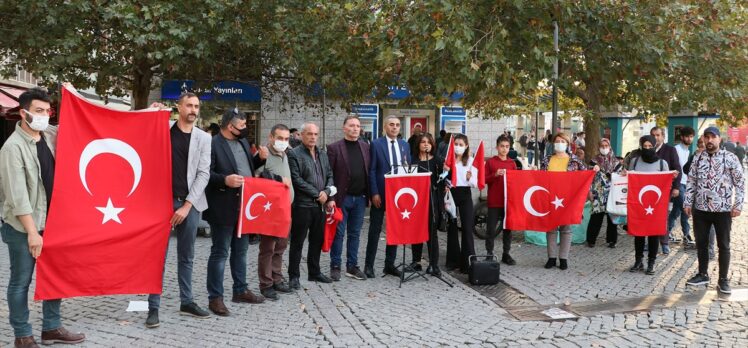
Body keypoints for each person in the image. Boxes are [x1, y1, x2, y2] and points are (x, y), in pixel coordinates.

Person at [0, 88, 86, 347]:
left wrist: (147, 114)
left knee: (54, 277)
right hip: (23, 227)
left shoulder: (49, 135)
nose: (44, 116)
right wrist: (33, 233)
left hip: (53, 223)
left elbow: (90, 125)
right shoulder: (11, 148)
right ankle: (22, 335)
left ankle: (51, 328)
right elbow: (17, 197)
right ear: (23, 112)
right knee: (21, 281)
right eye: (38, 111)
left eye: (47, 111)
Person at [147, 92, 212, 327]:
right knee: (158, 257)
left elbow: (204, 173)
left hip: (190, 204)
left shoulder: (204, 138)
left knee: (187, 256)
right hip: (161, 203)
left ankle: (187, 301)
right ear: (179, 107)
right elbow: (139, 130)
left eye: (196, 106)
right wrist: (149, 111)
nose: (193, 110)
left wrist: (187, 206)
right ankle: (153, 307)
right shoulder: (162, 128)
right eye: (189, 105)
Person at [203, 109, 269, 315]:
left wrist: (260, 158)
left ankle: (240, 290)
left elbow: (247, 168)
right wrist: (224, 180)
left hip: (244, 207)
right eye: (241, 126)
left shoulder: (242, 143)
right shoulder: (213, 144)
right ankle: (215, 297)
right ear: (230, 127)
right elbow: (205, 174)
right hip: (222, 206)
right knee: (220, 252)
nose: (244, 129)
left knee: (240, 252)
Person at [684, 127, 744, 294]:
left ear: (719, 139)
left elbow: (739, 183)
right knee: (701, 243)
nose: (709, 140)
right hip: (701, 209)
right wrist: (688, 202)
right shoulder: (698, 158)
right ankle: (703, 274)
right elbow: (691, 181)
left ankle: (723, 279)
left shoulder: (730, 158)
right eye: (707, 137)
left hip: (723, 210)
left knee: (723, 245)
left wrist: (738, 205)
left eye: (713, 137)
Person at [287, 122, 336, 288]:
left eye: (315, 134)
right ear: (301, 135)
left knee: (317, 240)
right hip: (303, 205)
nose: (313, 137)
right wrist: (317, 194)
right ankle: (294, 276)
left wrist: (327, 192)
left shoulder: (322, 153)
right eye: (309, 134)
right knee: (297, 242)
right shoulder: (294, 154)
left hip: (320, 205)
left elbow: (329, 174)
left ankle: (314, 272)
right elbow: (296, 179)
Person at [365, 115, 411, 278]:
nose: (394, 127)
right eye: (391, 124)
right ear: (385, 127)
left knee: (395, 230)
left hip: (398, 195)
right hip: (381, 194)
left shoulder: (405, 145)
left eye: (397, 125)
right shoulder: (376, 144)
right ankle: (368, 266)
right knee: (375, 231)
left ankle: (389, 265)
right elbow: (371, 170)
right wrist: (374, 192)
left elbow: (408, 170)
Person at [326, 116, 370, 281]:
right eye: (351, 125)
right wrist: (330, 196)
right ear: (344, 128)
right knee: (339, 233)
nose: (355, 128)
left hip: (360, 198)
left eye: (358, 126)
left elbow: (368, 171)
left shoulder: (365, 147)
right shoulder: (334, 148)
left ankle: (352, 266)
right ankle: (335, 265)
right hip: (341, 198)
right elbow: (328, 174)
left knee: (355, 234)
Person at [625, 135, 676, 275]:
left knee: (653, 233)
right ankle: (638, 261)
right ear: (641, 146)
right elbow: (629, 180)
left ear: (654, 147)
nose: (647, 149)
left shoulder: (662, 163)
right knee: (638, 233)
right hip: (639, 204)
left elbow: (667, 184)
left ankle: (651, 262)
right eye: (645, 146)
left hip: (656, 205)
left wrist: (672, 177)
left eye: (650, 146)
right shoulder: (634, 161)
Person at [254, 124, 295, 300]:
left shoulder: (285, 154)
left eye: (286, 139)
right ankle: (266, 284)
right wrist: (278, 180)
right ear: (271, 137)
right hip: (270, 210)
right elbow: (256, 177)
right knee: (268, 248)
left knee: (280, 246)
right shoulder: (264, 154)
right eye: (280, 138)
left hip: (285, 208)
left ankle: (277, 279)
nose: (283, 142)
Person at [540, 132, 587, 270]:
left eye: (562, 141)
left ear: (567, 144)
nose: (559, 143)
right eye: (557, 141)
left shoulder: (575, 161)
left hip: (568, 199)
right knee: (551, 228)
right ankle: (552, 257)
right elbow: (540, 178)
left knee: (566, 229)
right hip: (551, 198)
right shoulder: (547, 160)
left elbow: (585, 177)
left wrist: (594, 170)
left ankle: (564, 258)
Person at [411, 132, 444, 276]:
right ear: (418, 145)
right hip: (417, 201)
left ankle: (433, 264)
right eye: (423, 142)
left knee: (432, 232)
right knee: (416, 230)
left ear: (432, 145)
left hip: (433, 200)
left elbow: (443, 181)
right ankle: (416, 262)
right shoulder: (413, 161)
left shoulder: (437, 161)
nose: (425, 144)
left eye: (428, 142)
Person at [444, 134, 477, 273]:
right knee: (451, 227)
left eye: (461, 144)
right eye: (456, 144)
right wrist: (444, 177)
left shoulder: (470, 160)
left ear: (466, 146)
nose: (458, 147)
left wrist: (470, 178)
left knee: (467, 228)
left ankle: (468, 262)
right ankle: (453, 260)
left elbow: (475, 183)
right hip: (451, 193)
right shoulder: (448, 160)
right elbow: (443, 178)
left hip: (465, 194)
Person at [484, 135, 517, 265]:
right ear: (497, 147)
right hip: (494, 200)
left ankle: (506, 253)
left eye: (507, 147)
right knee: (491, 229)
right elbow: (484, 179)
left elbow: (516, 182)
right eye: (502, 146)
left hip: (507, 201)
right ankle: (489, 253)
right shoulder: (491, 162)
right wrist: (495, 175)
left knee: (507, 229)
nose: (504, 149)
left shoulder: (512, 163)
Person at [649, 126, 681, 254]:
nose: (655, 138)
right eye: (653, 135)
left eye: (658, 135)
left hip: (664, 189)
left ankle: (664, 242)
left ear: (663, 136)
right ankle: (650, 242)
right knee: (649, 215)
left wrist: (676, 187)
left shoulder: (670, 150)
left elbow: (677, 169)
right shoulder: (647, 149)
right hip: (649, 189)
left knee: (662, 216)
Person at [586, 138, 620, 248]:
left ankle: (612, 240)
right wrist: (589, 191)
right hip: (598, 193)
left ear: (610, 146)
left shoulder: (615, 162)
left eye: (606, 145)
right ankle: (591, 240)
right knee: (596, 217)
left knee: (612, 217)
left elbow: (621, 175)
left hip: (612, 193)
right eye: (602, 146)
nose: (604, 148)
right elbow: (589, 177)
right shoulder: (593, 161)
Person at [669, 126, 695, 246]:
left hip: (686, 184)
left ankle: (667, 232)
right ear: (682, 137)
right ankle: (686, 235)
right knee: (685, 209)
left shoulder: (689, 151)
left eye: (691, 137)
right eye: (687, 136)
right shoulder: (676, 149)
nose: (689, 139)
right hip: (678, 184)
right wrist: (675, 186)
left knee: (676, 210)